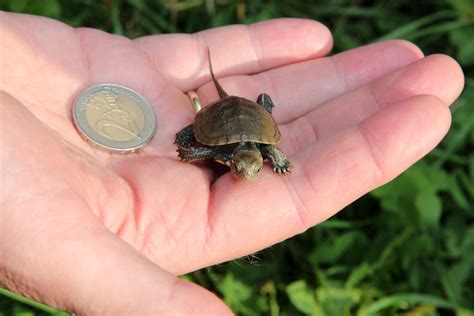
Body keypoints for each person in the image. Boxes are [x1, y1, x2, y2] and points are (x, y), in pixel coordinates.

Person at [0, 11, 464, 315]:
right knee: (191, 142)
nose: (247, 171)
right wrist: (190, 144)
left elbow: (269, 148)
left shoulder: (261, 152)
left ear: (254, 161)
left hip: (248, 119)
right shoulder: (220, 150)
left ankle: (253, 104)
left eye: (253, 167)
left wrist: (277, 159)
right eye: (247, 166)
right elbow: (196, 144)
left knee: (245, 122)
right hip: (224, 119)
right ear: (236, 160)